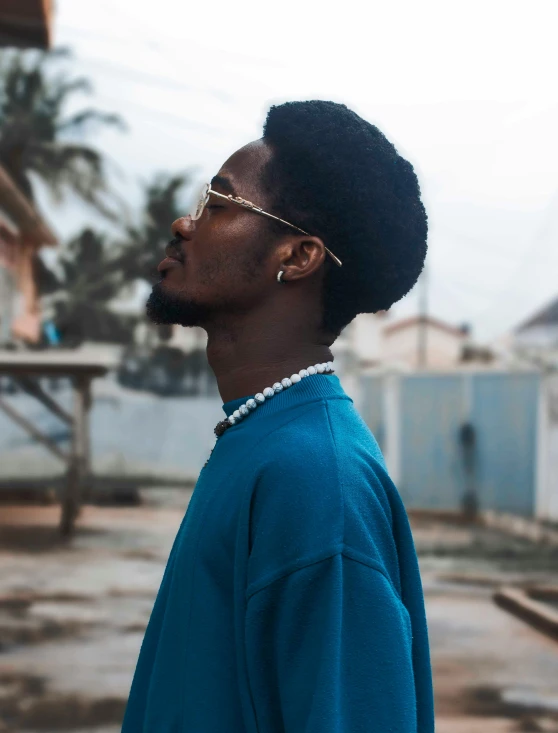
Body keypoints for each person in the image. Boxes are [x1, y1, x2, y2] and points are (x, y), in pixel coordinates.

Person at [121, 100, 434, 733]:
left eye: (219, 203)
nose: (186, 223)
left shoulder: (318, 479)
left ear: (296, 257)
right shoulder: (259, 435)